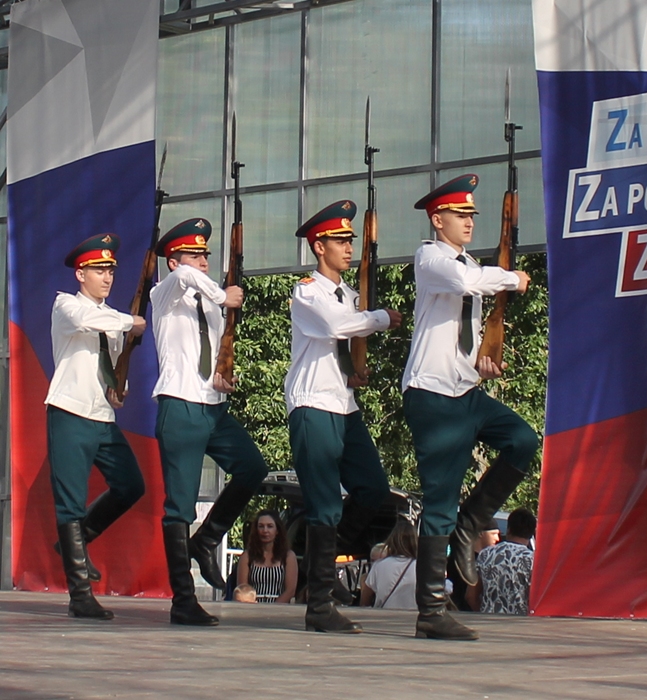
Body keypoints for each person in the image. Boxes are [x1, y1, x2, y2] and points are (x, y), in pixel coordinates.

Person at [402, 174, 539, 640]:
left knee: (522, 440)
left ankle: (473, 521)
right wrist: (512, 278)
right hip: (433, 394)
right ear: (437, 219)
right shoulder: (431, 257)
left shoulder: (472, 266)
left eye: (471, 215)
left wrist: (482, 361)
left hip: (465, 389)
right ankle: (431, 611)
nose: (469, 222)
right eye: (460, 214)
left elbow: (463, 331)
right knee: (439, 501)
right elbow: (465, 282)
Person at [285, 200, 402, 633]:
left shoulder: (351, 296)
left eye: (351, 240)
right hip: (314, 403)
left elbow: (345, 337)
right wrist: (380, 318)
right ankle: (319, 605)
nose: (349, 248)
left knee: (373, 490)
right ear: (319, 247)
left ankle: (321, 570)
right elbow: (336, 326)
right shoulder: (308, 291)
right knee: (324, 504)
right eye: (340, 241)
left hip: (343, 404)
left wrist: (354, 370)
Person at [150, 218, 268, 626]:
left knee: (253, 468)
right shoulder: (165, 293)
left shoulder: (213, 306)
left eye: (205, 255)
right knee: (179, 507)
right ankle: (183, 599)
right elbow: (186, 277)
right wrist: (222, 293)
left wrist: (222, 372)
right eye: (194, 254)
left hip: (213, 406)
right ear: (173, 261)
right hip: (181, 405)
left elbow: (215, 350)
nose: (202, 262)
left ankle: (207, 538)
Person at [45, 233, 147, 620]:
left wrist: (119, 388)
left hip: (102, 416)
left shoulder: (113, 319)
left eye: (110, 271)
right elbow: (86, 320)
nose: (107, 277)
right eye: (99, 270)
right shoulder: (67, 305)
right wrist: (130, 322)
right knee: (70, 504)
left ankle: (77, 541)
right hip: (70, 411)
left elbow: (111, 367)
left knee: (131, 485)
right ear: (80, 274)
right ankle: (80, 595)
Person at [469, 508, 536, 615]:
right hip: (520, 622)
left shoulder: (486, 554)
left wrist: (483, 613)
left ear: (509, 529)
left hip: (488, 621)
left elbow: (471, 596)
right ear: (532, 533)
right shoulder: (533, 560)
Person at [236, 510, 298, 603]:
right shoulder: (247, 556)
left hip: (280, 608)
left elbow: (290, 591)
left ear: (277, 530)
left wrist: (273, 608)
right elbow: (242, 590)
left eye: (270, 526)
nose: (265, 530)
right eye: (261, 526)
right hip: (252, 606)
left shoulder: (288, 556)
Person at [360, 519, 418, 610]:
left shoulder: (378, 566)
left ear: (392, 540)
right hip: (413, 615)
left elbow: (364, 600)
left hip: (384, 615)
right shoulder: (421, 567)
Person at [447, 517, 500, 611]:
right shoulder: (461, 560)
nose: (497, 539)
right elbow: (470, 597)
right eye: (493, 534)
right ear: (480, 533)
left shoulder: (489, 560)